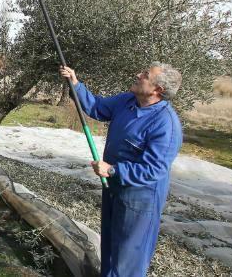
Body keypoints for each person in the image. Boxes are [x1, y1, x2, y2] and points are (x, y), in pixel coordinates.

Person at [60, 62, 183, 277]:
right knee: (109, 249)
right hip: (114, 189)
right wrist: (75, 84)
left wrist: (114, 170)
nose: (137, 74)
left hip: (139, 199)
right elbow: (96, 107)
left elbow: (154, 169)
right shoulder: (127, 101)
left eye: (145, 75)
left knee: (128, 260)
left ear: (158, 90)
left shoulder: (165, 124)